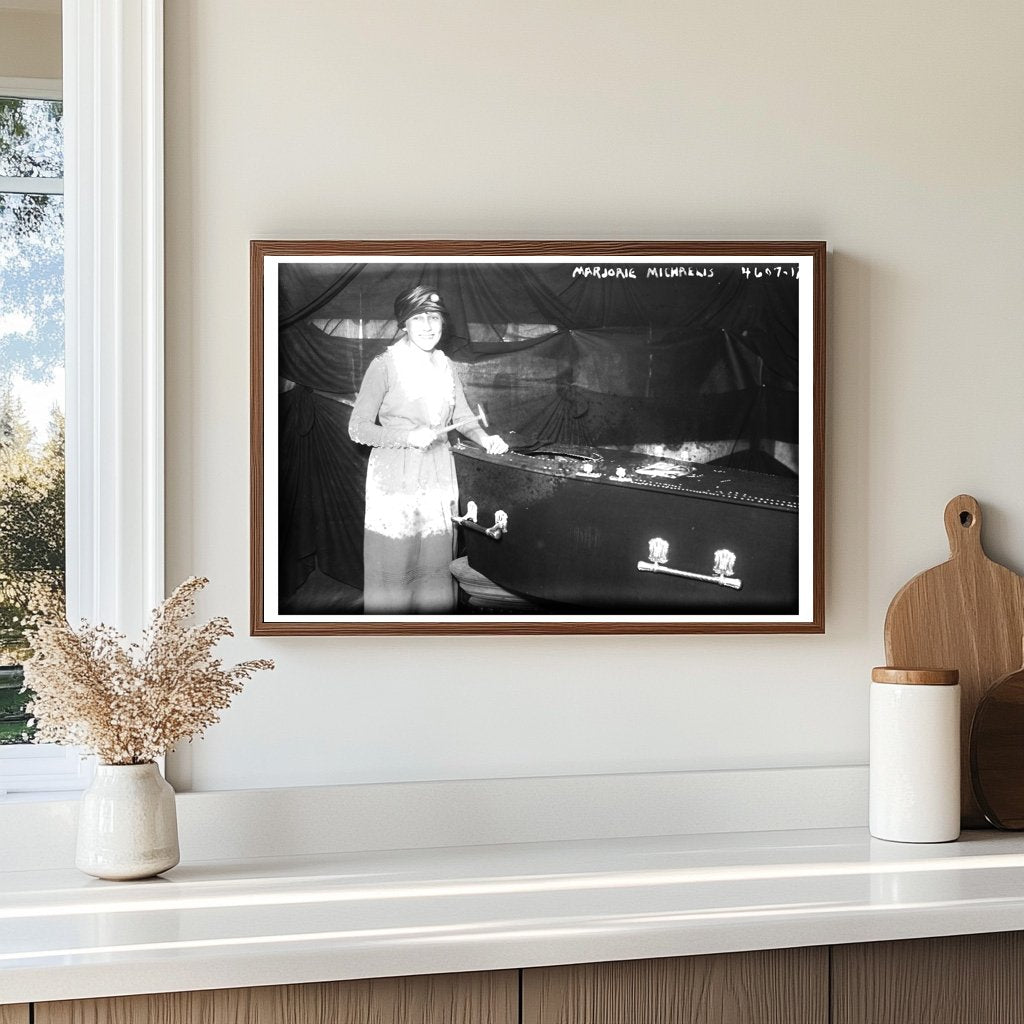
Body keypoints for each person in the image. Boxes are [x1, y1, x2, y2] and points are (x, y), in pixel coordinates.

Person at [348, 286, 509, 613]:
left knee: (435, 561)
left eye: (433, 317)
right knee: (395, 562)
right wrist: (406, 437)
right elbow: (358, 427)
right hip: (395, 478)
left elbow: (463, 416)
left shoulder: (446, 365)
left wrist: (485, 438)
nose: (427, 325)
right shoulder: (384, 365)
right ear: (403, 323)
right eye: (417, 318)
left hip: (437, 474)